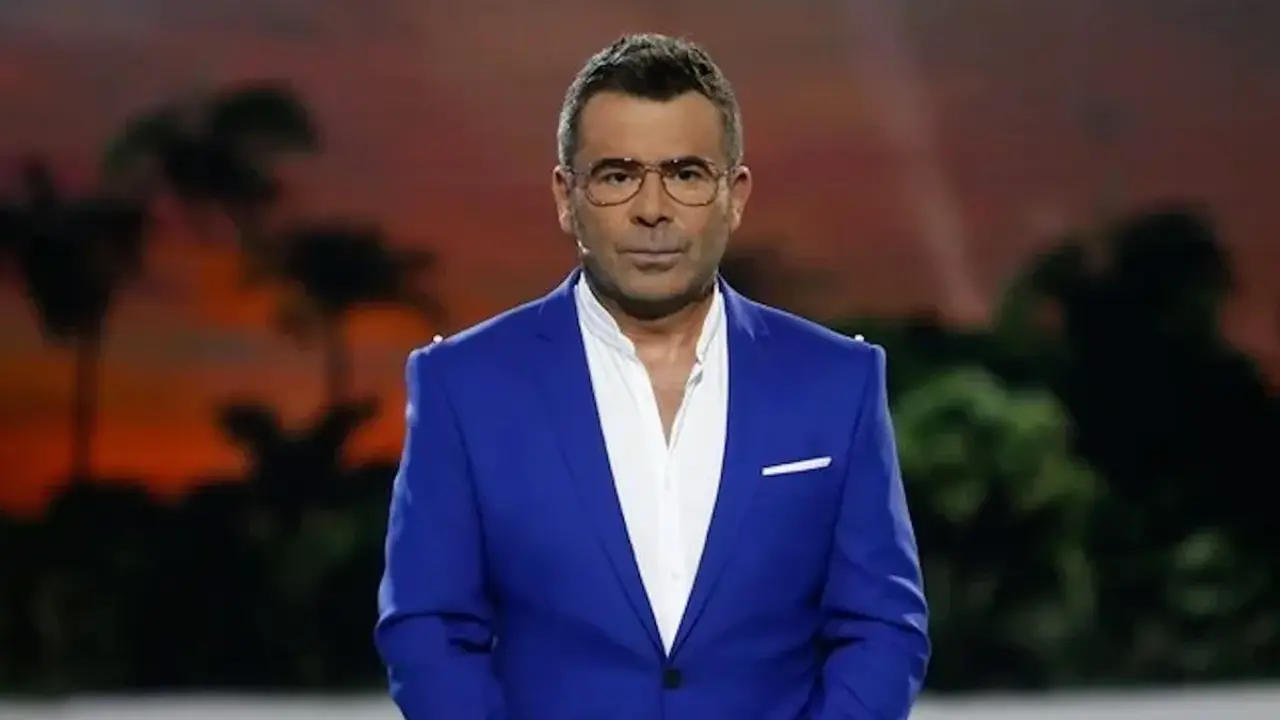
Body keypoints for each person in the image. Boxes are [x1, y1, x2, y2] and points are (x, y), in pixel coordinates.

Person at [375, 32, 929, 720]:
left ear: (734, 195)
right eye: (617, 175)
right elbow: (427, 629)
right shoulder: (462, 386)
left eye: (685, 173)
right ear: (566, 196)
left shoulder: (837, 383)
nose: (652, 208)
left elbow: (882, 626)